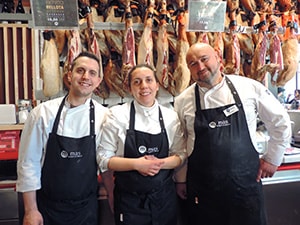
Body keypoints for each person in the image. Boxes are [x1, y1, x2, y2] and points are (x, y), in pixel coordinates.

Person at [174, 43, 291, 225]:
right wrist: (180, 180)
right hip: (203, 189)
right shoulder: (183, 101)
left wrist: (273, 158)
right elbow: (180, 143)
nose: (200, 67)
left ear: (218, 58)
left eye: (204, 59)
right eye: (193, 64)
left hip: (245, 187)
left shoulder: (249, 88)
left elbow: (280, 121)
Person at [16, 51, 109, 225]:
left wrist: (107, 188)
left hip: (86, 209)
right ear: (69, 74)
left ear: (98, 81)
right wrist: (31, 210)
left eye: (92, 73)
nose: (85, 77)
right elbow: (28, 163)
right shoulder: (42, 113)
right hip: (46, 208)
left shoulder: (104, 116)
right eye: (80, 70)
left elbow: (105, 161)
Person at [99, 64, 186, 225]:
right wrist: (137, 164)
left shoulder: (170, 116)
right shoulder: (117, 115)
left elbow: (180, 154)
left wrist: (158, 164)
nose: (144, 86)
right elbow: (104, 158)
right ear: (130, 88)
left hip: (164, 200)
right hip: (129, 201)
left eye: (148, 80)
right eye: (137, 82)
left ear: (157, 85)